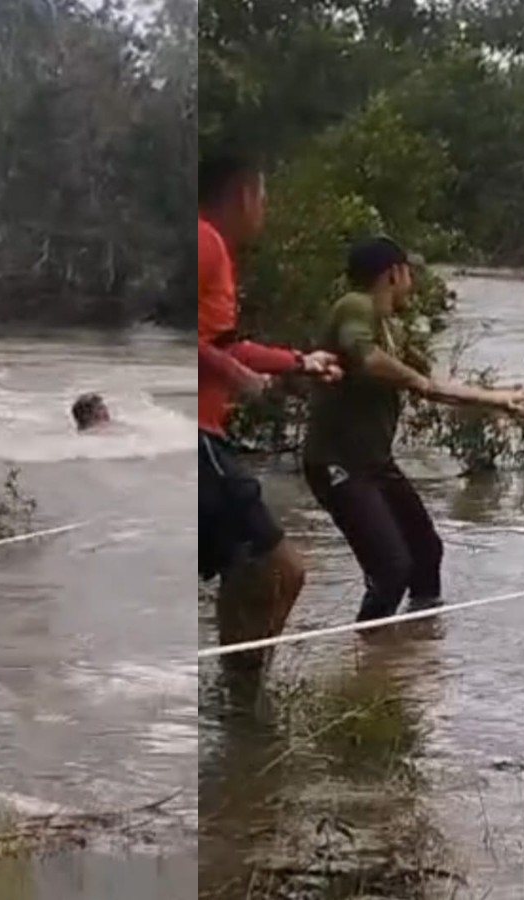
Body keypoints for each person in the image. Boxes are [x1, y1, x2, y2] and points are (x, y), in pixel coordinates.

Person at [303, 237, 524, 624]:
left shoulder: (393, 330)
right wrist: (417, 380)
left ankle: (413, 652)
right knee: (392, 570)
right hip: (337, 463)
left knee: (426, 551)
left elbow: (432, 385)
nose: (411, 282)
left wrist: (501, 399)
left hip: (374, 463)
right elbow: (364, 357)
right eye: (408, 273)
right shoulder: (355, 305)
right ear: (393, 274)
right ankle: (370, 661)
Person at [197, 151, 341, 674]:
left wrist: (300, 362)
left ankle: (231, 701)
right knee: (284, 570)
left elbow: (224, 345)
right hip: (196, 439)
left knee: (247, 570)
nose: (266, 208)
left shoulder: (213, 248)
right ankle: (242, 701)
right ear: (242, 194)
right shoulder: (204, 243)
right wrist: (237, 377)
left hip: (204, 438)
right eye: (264, 195)